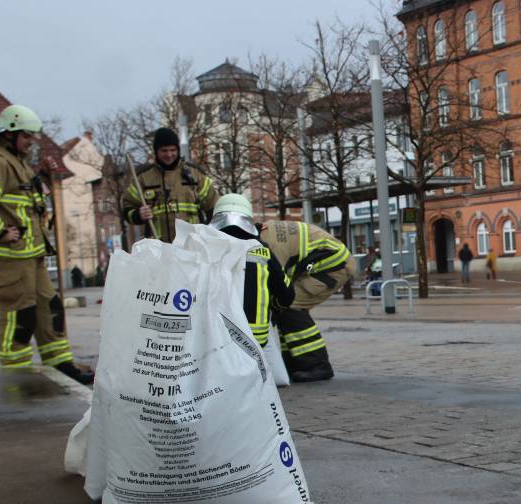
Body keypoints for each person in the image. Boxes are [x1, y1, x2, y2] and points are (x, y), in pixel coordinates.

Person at [0, 105, 94, 384]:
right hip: (10, 257)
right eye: (27, 136)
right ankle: (16, 375)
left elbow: (27, 200)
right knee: (19, 314)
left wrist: (43, 176)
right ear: (9, 134)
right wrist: (1, 232)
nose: (32, 141)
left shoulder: (18, 162)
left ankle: (60, 364)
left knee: (51, 308)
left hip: (31, 255)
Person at [210, 194, 356, 383]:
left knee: (291, 304)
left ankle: (316, 365)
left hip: (334, 266)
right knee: (283, 307)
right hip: (324, 261)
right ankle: (293, 362)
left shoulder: (266, 246)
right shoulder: (261, 234)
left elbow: (279, 288)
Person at [208, 194, 293, 348]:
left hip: (214, 339)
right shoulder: (262, 251)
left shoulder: (202, 248)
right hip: (255, 342)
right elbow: (287, 296)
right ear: (248, 218)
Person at [122, 127, 217, 244]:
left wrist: (209, 236)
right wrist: (138, 215)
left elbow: (214, 208)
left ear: (178, 150)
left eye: (173, 150)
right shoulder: (143, 179)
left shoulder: (196, 176)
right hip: (159, 248)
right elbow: (127, 209)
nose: (169, 154)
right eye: (164, 150)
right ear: (156, 151)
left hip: (192, 247)